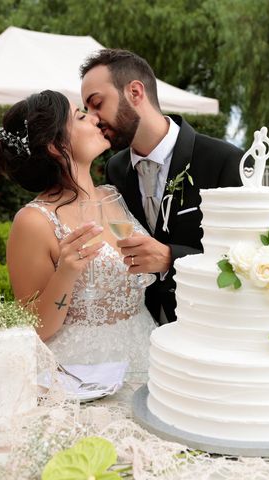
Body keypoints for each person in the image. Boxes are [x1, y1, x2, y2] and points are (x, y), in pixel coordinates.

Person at [0, 89, 156, 372]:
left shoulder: (113, 194)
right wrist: (65, 273)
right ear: (56, 146)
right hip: (85, 369)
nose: (94, 119)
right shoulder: (33, 221)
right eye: (80, 116)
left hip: (146, 347)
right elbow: (35, 328)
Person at [80, 49, 243, 325]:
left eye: (97, 103)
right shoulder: (115, 169)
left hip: (211, 324)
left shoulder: (224, 161)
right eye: (86, 110)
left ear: (135, 92)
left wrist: (171, 257)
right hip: (144, 330)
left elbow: (246, 257)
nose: (92, 118)